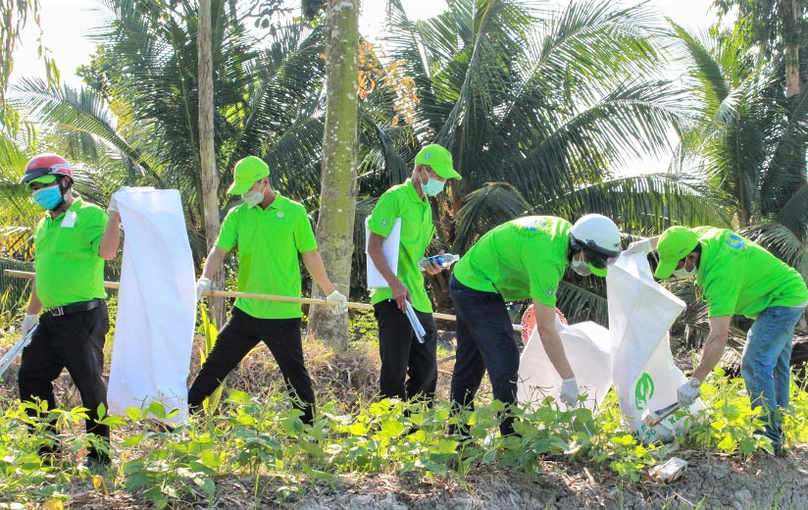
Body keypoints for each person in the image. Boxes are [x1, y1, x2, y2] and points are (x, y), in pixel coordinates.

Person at [189, 156, 347, 425]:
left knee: (295, 376)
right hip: (247, 311)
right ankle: (182, 416)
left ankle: (309, 435)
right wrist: (205, 278)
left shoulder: (294, 212)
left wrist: (330, 291)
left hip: (283, 313)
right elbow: (219, 249)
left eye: (248, 189)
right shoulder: (238, 215)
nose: (245, 195)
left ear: (265, 183)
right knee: (215, 365)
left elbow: (310, 255)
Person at [626, 226, 808, 452]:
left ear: (691, 257)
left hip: (783, 299)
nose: (675, 273)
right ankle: (780, 430)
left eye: (677, 266)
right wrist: (646, 245)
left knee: (755, 362)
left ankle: (768, 437)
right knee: (775, 365)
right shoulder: (703, 236)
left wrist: (695, 381)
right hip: (785, 289)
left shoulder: (719, 275)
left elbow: (719, 336)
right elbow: (678, 234)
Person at [449, 214, 622, 437]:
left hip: (469, 276)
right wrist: (568, 379)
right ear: (579, 246)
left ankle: (458, 433)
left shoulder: (567, 234)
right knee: (505, 358)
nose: (589, 266)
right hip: (477, 284)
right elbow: (546, 328)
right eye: (591, 260)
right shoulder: (547, 259)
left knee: (470, 362)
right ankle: (510, 435)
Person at [18, 153, 122, 468]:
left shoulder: (89, 214)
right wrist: (31, 313)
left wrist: (115, 217)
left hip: (82, 317)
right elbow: (43, 273)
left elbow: (106, 252)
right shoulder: (44, 224)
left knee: (89, 384)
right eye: (33, 187)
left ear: (65, 181)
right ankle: (47, 452)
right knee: (30, 375)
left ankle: (99, 456)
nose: (38, 192)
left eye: (43, 184)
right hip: (51, 319)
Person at [366, 144, 462, 403]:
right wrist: (395, 283)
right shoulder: (395, 197)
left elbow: (409, 256)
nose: (442, 182)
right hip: (392, 295)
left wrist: (429, 264)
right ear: (421, 170)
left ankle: (417, 432)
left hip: (417, 296)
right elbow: (373, 245)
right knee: (394, 371)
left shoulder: (425, 207)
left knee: (427, 372)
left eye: (444, 178)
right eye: (439, 177)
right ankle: (391, 430)